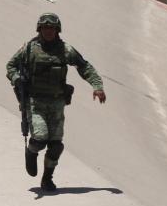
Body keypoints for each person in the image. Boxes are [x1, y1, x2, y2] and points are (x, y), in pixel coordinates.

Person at [6, 13, 106, 192]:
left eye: (52, 28)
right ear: (39, 29)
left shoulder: (65, 50)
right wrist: (17, 79)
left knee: (56, 145)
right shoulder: (29, 49)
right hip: (35, 102)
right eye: (45, 28)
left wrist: (97, 86)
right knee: (40, 138)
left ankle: (47, 178)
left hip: (57, 103)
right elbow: (11, 66)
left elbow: (84, 66)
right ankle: (31, 151)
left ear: (57, 30)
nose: (49, 31)